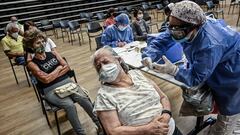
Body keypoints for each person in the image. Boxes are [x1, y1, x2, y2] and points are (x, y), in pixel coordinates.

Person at [142, 1, 240, 134]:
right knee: (217, 100)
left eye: (176, 30)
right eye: (170, 26)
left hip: (232, 73)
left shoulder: (210, 44)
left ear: (194, 27)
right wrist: (148, 55)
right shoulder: (183, 25)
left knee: (229, 109)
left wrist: (175, 71)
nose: (172, 32)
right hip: (216, 62)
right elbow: (162, 39)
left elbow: (196, 77)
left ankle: (224, 128)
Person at [23, 30, 103, 135]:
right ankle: (81, 133)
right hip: (50, 89)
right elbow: (46, 80)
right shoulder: (31, 64)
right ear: (31, 46)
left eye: (43, 41)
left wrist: (52, 74)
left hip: (67, 82)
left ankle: (100, 126)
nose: (42, 44)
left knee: (83, 97)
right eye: (38, 43)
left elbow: (67, 68)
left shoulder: (52, 53)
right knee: (69, 105)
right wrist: (58, 69)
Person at [92, 47, 182, 135]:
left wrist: (166, 114)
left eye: (106, 62)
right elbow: (113, 131)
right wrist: (146, 129)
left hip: (170, 129)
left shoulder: (136, 74)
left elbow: (163, 97)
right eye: (99, 66)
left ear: (119, 60)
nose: (103, 68)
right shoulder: (104, 95)